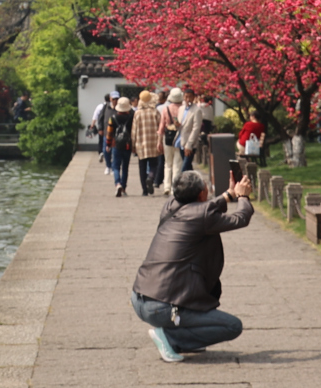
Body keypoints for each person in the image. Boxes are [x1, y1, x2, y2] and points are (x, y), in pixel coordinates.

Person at [130, 169, 255, 362]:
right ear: (201, 194)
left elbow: (204, 209)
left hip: (140, 298)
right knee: (232, 326)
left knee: (207, 315)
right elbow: (240, 218)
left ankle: (184, 340)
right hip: (161, 306)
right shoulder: (202, 216)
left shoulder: (170, 205)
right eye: (206, 186)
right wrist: (243, 197)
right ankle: (170, 338)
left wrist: (229, 194)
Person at [132, 89, 166, 196]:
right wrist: (160, 141)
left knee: (142, 166)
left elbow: (134, 130)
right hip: (153, 142)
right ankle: (151, 177)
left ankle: (144, 190)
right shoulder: (155, 112)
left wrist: (133, 144)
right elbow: (161, 128)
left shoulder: (137, 113)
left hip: (141, 143)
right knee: (154, 164)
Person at [109, 96, 136, 196]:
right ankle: (124, 188)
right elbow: (133, 132)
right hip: (127, 145)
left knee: (116, 166)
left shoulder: (113, 118)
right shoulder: (132, 118)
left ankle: (117, 183)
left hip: (116, 145)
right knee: (125, 167)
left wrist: (108, 144)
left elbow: (109, 133)